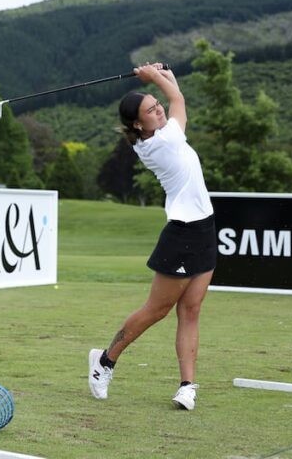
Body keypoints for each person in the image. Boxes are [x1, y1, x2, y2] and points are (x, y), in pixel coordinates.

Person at [87, 62, 216, 411]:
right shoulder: (160, 143)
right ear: (137, 125)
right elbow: (178, 100)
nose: (158, 110)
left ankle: (187, 386)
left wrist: (162, 74)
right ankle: (105, 360)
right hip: (182, 233)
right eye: (150, 110)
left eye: (157, 105)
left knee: (191, 309)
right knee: (157, 310)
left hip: (204, 227)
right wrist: (154, 76)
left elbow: (174, 96)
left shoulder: (164, 134)